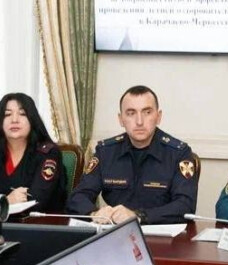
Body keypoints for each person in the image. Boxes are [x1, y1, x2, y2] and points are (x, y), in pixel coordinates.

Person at [67, 86, 197, 224]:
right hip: (115, 232)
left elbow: (185, 205)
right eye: (131, 113)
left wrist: (139, 216)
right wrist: (94, 213)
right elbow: (77, 197)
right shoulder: (106, 152)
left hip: (161, 233)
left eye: (147, 112)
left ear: (158, 117)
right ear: (121, 119)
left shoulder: (179, 153)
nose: (139, 121)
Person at [0, 92, 67, 213]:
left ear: (32, 120)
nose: (14, 120)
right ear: (0, 121)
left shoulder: (48, 153)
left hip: (37, 222)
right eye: (7, 114)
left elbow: (37, 200)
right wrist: (5, 201)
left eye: (22, 114)